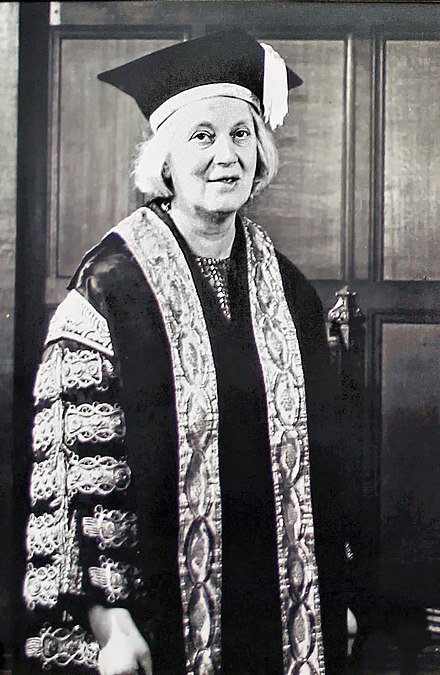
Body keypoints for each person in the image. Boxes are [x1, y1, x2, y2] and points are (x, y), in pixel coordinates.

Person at [23, 28, 347, 675]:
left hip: (278, 618)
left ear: (260, 155)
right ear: (165, 161)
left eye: (242, 134)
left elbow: (327, 459)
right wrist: (111, 622)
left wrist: (338, 597)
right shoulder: (109, 289)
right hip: (154, 624)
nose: (226, 156)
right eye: (203, 136)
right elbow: (76, 475)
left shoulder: (289, 290)